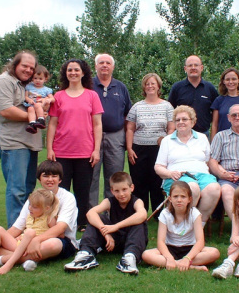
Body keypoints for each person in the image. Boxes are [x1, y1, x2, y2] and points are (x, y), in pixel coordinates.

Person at [0, 160, 79, 271]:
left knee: (51, 245)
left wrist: (37, 241)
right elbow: (17, 228)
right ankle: (27, 259)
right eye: (45, 176)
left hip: (60, 241)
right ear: (39, 179)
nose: (50, 179)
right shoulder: (34, 198)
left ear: (60, 179)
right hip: (27, 240)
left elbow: (60, 228)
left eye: (54, 176)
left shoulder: (67, 197)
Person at [47, 59, 103, 230]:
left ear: (83, 73)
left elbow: (97, 124)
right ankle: (58, 222)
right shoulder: (59, 96)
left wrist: (96, 150)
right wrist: (49, 148)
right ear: (66, 73)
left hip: (85, 152)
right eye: (69, 70)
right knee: (60, 190)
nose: (73, 73)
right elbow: (53, 124)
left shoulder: (92, 95)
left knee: (83, 190)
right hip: (61, 151)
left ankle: (81, 223)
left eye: (76, 70)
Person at [0, 50, 42, 228]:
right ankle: (15, 230)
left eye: (31, 68)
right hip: (13, 144)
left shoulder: (22, 85)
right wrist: (32, 117)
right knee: (16, 190)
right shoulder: (4, 81)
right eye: (24, 66)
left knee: (28, 189)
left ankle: (26, 226)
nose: (28, 70)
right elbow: (6, 110)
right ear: (15, 64)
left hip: (29, 143)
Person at [64, 172, 148, 275]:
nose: (121, 194)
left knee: (139, 222)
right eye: (117, 191)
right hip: (112, 242)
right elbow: (90, 213)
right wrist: (105, 232)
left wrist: (115, 226)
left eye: (124, 190)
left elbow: (142, 214)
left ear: (132, 188)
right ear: (112, 191)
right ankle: (86, 254)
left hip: (132, 239)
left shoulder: (137, 201)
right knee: (97, 218)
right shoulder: (109, 201)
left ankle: (129, 258)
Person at [155, 105, 221, 225]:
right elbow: (158, 167)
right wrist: (170, 173)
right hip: (178, 177)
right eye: (178, 120)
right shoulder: (167, 140)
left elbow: (207, 161)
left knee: (214, 189)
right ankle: (182, 224)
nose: (181, 122)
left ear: (193, 122)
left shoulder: (202, 138)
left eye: (184, 119)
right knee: (192, 187)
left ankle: (198, 225)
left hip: (202, 176)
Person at [0, 189, 60, 275]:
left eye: (34, 207)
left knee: (30, 232)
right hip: (19, 245)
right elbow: (18, 230)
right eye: (30, 205)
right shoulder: (29, 216)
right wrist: (20, 237)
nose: (30, 208)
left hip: (32, 248)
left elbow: (57, 234)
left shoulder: (49, 218)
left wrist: (37, 240)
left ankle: (9, 263)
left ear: (46, 208)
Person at [142, 181, 220, 271]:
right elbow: (160, 242)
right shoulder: (165, 214)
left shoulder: (195, 213)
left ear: (189, 199)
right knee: (146, 255)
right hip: (170, 248)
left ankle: (178, 264)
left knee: (214, 253)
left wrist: (188, 258)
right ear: (170, 199)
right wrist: (169, 257)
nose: (179, 200)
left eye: (183, 197)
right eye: (175, 196)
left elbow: (200, 242)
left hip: (190, 248)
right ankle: (189, 266)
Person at [126, 73, 175, 216]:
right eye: (147, 84)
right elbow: (130, 128)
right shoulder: (137, 106)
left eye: (153, 83)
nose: (150, 86)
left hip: (159, 149)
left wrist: (166, 140)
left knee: (156, 181)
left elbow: (171, 127)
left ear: (158, 86)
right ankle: (140, 212)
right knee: (139, 180)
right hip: (138, 148)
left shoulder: (167, 106)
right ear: (144, 87)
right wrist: (129, 148)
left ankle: (158, 213)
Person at [90, 54, 132, 208]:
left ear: (113, 67)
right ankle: (91, 212)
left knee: (114, 177)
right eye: (101, 62)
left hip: (116, 136)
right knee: (92, 177)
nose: (105, 65)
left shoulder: (120, 87)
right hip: (92, 137)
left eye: (108, 63)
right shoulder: (88, 85)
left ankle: (112, 211)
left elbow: (128, 113)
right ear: (96, 66)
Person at [168, 55, 218, 136]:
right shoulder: (177, 88)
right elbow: (170, 111)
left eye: (196, 65)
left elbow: (216, 113)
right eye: (190, 65)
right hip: (181, 134)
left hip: (204, 134)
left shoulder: (210, 88)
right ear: (185, 69)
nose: (193, 68)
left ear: (201, 68)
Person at [210, 67, 239, 141]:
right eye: (227, 79)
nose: (231, 82)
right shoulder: (218, 100)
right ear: (223, 81)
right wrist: (213, 143)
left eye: (234, 79)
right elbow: (214, 125)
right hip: (223, 141)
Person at [24, 65, 55, 134]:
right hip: (31, 104)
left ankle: (41, 119)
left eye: (40, 79)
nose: (37, 80)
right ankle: (32, 123)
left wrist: (48, 100)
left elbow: (53, 99)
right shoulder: (29, 86)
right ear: (32, 78)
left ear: (45, 79)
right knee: (30, 109)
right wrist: (29, 100)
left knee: (37, 105)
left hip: (40, 105)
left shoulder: (46, 90)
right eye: (35, 78)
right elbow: (25, 96)